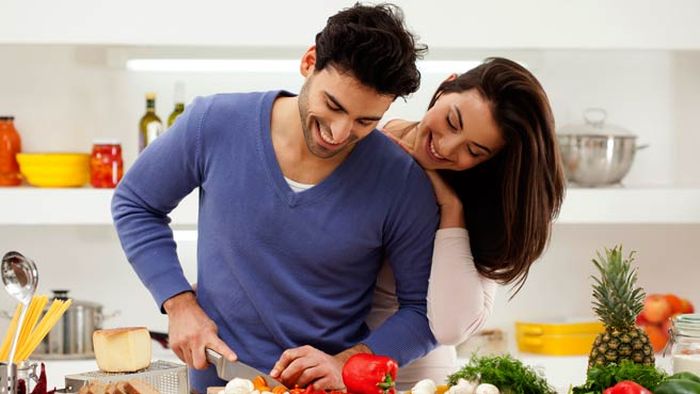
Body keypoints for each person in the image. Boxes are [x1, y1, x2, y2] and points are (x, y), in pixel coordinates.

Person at [111, 4, 438, 393]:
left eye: (365, 121)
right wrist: (179, 304)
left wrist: (346, 362)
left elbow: (422, 313)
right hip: (217, 382)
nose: (338, 132)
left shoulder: (401, 181)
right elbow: (135, 203)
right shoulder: (213, 123)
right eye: (333, 106)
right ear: (309, 62)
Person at [366, 57, 566, 387]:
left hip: (419, 379)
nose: (446, 147)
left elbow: (450, 327)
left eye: (474, 151)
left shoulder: (477, 203)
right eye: (452, 121)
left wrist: (450, 206)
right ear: (447, 85)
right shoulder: (367, 134)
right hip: (332, 366)